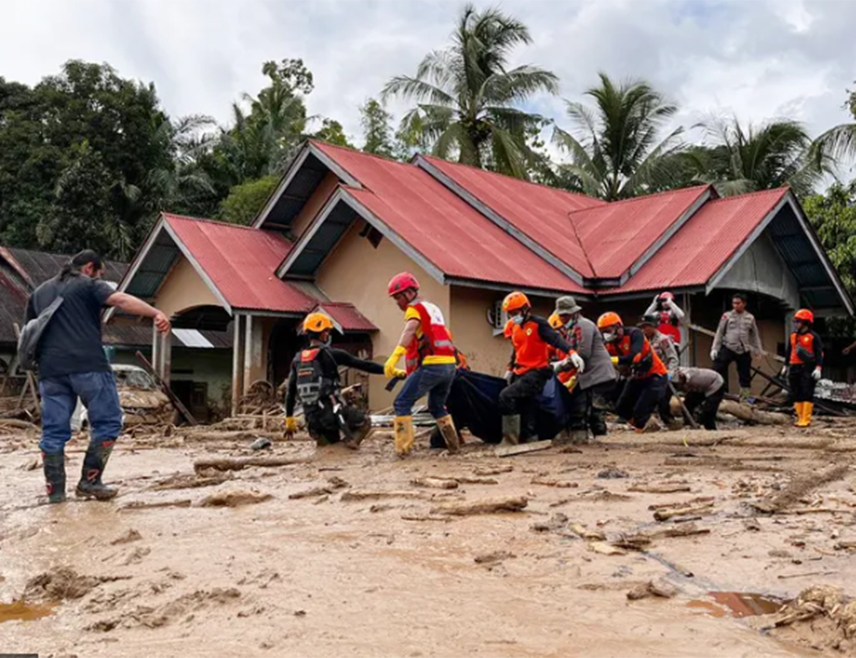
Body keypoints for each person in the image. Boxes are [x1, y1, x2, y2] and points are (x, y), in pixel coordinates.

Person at [25, 250, 171, 504]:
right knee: (109, 422)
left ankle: (56, 494)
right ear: (90, 268)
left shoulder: (39, 292)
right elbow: (121, 301)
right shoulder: (87, 284)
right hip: (88, 365)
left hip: (51, 370)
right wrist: (155, 313)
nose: (100, 277)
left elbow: (30, 330)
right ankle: (90, 482)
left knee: (53, 432)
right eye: (100, 273)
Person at [383, 272, 459, 456]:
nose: (398, 303)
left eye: (398, 297)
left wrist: (394, 356)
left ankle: (403, 451)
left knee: (401, 402)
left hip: (433, 365)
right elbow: (440, 336)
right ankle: (454, 447)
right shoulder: (433, 309)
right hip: (449, 367)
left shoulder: (414, 309)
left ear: (410, 293)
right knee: (436, 406)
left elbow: (409, 331)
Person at [285, 312, 387, 448]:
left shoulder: (298, 359)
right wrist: (389, 370)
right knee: (364, 422)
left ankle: (335, 452)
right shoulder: (332, 354)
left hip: (311, 420)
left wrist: (289, 419)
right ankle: (344, 451)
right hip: (333, 415)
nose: (328, 334)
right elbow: (365, 365)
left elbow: (290, 392)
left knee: (325, 449)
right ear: (323, 334)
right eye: (327, 331)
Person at [500, 291, 576, 446]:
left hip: (537, 371)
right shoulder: (514, 327)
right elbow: (516, 349)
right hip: (520, 371)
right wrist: (510, 368)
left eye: (515, 313)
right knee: (526, 403)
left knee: (506, 396)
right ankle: (529, 436)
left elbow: (555, 339)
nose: (513, 316)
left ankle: (510, 439)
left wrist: (571, 352)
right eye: (510, 314)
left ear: (525, 309)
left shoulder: (538, 324)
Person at [551, 296, 617, 439]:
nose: (562, 318)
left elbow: (583, 353)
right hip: (586, 377)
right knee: (578, 408)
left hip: (599, 375)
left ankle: (602, 441)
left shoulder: (584, 325)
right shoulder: (570, 329)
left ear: (574, 312)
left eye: (565, 315)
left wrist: (561, 366)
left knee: (595, 411)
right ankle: (579, 440)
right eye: (561, 315)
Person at [597, 312, 668, 432]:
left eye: (608, 330)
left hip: (655, 375)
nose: (606, 334)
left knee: (641, 410)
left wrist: (611, 360)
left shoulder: (635, 334)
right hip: (636, 376)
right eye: (603, 331)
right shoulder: (608, 345)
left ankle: (642, 428)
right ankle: (645, 426)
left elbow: (635, 356)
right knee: (621, 408)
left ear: (618, 326)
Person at [711, 293, 763, 398]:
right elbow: (720, 332)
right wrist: (715, 348)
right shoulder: (727, 316)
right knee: (718, 368)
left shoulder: (750, 317)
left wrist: (758, 351)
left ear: (744, 304)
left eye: (738, 303)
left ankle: (745, 398)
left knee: (745, 376)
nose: (735, 305)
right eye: (734, 303)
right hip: (728, 347)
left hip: (743, 349)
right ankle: (719, 394)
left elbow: (754, 335)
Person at [782, 309, 824, 428]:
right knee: (796, 392)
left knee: (807, 392)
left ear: (806, 322)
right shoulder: (793, 336)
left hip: (807, 367)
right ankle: (799, 417)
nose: (796, 324)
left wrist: (818, 368)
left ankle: (806, 418)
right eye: (795, 321)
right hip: (794, 366)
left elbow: (819, 353)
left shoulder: (813, 337)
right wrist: (785, 365)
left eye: (798, 321)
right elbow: (789, 351)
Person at [639, 314, 680, 429]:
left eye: (645, 327)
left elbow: (673, 358)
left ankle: (673, 425)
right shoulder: (645, 342)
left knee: (662, 403)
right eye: (641, 328)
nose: (643, 330)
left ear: (653, 327)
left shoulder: (663, 340)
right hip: (653, 376)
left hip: (666, 376)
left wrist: (670, 374)